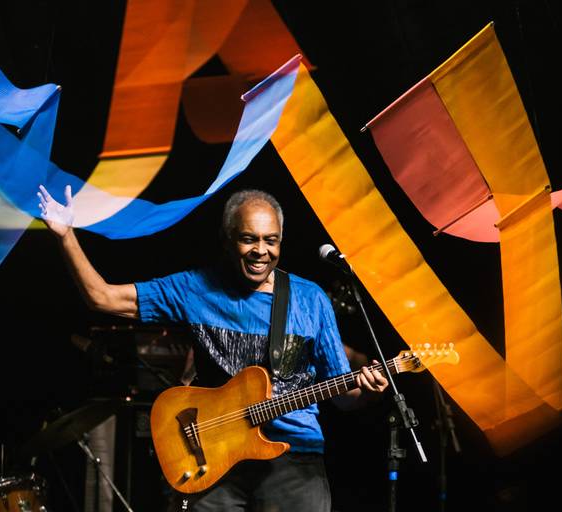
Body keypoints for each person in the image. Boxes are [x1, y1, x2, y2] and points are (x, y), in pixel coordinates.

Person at [37, 185, 389, 511]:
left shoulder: (310, 300)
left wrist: (367, 391)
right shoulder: (195, 289)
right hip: (214, 455)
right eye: (249, 239)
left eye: (271, 240)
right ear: (227, 240)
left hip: (294, 458)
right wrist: (66, 236)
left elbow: (343, 396)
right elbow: (102, 297)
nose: (261, 251)